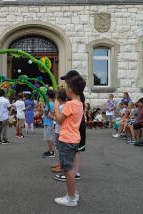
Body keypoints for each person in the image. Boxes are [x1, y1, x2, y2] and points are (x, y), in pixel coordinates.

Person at [53, 75, 86, 207]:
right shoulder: (79, 103)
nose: (66, 89)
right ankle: (74, 193)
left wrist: (56, 106)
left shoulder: (70, 104)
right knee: (70, 168)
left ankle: (71, 198)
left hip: (66, 139)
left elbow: (59, 120)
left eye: (67, 87)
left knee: (68, 170)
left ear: (71, 90)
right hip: (74, 138)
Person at [52, 88, 67, 173]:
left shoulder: (61, 107)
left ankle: (62, 165)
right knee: (60, 148)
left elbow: (59, 120)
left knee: (61, 149)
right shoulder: (63, 106)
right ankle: (61, 163)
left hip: (60, 130)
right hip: (59, 129)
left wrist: (53, 117)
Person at [42, 90, 55, 158]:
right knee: (48, 137)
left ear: (48, 96)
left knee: (49, 137)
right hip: (48, 122)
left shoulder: (49, 104)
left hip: (48, 122)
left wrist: (43, 108)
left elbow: (46, 113)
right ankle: (50, 150)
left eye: (46, 95)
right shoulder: (51, 103)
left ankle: (51, 151)